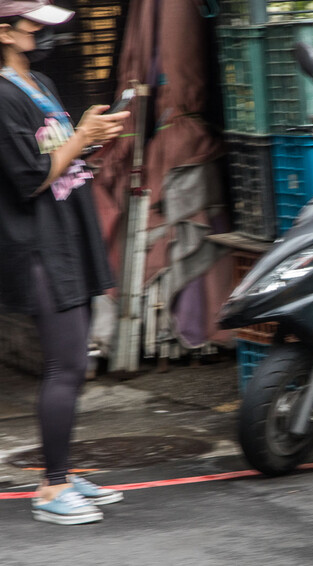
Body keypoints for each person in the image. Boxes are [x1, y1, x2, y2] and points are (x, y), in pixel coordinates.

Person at [0, 1, 130, 525]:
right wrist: (80, 137)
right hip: (35, 244)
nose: (41, 28)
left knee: (74, 366)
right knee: (66, 365)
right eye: (30, 20)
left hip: (64, 234)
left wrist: (90, 137)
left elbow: (60, 154)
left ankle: (62, 469)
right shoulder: (3, 96)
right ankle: (53, 489)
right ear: (4, 30)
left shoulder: (42, 84)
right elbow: (29, 175)